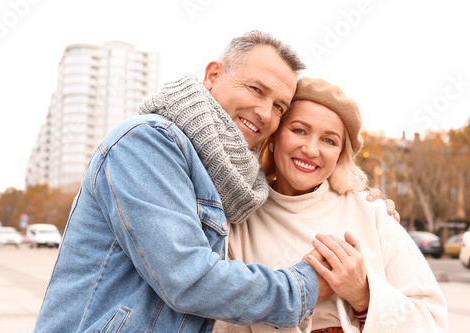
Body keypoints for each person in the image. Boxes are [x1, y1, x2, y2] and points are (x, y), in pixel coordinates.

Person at [34, 31, 393, 332]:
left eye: (280, 106)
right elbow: (189, 280)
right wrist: (308, 284)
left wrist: (359, 207)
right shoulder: (148, 143)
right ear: (212, 75)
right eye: (256, 89)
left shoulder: (234, 185)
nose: (266, 113)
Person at [213, 77, 447, 333]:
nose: (311, 149)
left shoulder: (373, 213)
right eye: (299, 130)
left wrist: (363, 294)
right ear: (274, 136)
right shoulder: (239, 216)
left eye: (329, 140)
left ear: (340, 155)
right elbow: (220, 321)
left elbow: (432, 322)